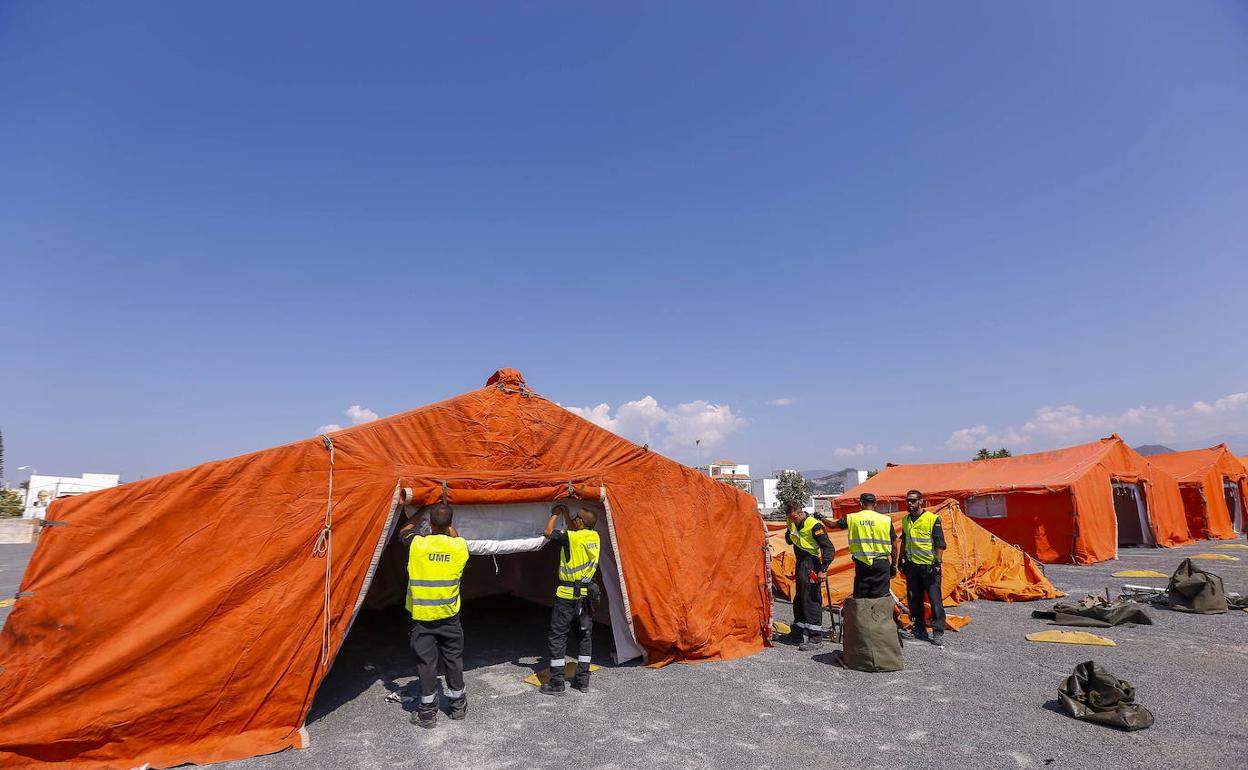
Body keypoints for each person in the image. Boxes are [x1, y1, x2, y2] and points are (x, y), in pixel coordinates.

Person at [399, 502, 469, 728]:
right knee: (453, 661)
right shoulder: (459, 547)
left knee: (426, 664)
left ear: (429, 523)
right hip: (449, 616)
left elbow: (404, 530)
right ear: (451, 524)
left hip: (422, 617)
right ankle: (458, 707)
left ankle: (427, 713)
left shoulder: (417, 545)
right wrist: (444, 523)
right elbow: (454, 536)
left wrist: (421, 512)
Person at [540, 503, 601, 696]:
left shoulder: (571, 538)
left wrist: (555, 514)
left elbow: (547, 532)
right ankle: (582, 681)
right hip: (585, 598)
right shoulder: (594, 537)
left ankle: (557, 683)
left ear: (581, 522)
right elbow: (576, 532)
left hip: (566, 597)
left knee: (558, 638)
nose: (574, 520)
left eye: (576, 517)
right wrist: (568, 514)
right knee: (584, 637)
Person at [783, 501, 836, 650]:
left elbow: (829, 549)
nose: (792, 520)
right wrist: (790, 528)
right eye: (790, 518)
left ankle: (815, 638)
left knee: (811, 599)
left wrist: (823, 569)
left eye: (794, 517)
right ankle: (798, 632)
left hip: (811, 564)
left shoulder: (815, 525)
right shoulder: (793, 523)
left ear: (800, 513)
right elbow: (788, 540)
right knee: (799, 599)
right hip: (800, 563)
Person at [899, 489, 947, 646]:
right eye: (908, 501)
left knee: (934, 600)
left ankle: (938, 631)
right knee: (914, 599)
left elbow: (939, 543)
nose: (910, 503)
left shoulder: (932, 519)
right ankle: (919, 628)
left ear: (921, 501)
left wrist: (937, 563)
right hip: (912, 566)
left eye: (913, 501)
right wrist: (900, 559)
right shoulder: (906, 520)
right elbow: (905, 540)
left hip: (929, 566)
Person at [831, 492, 898, 599]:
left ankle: (863, 615)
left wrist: (821, 518)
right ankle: (880, 615)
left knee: (861, 598)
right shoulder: (885, 520)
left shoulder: (852, 518)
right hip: (881, 564)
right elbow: (894, 545)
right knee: (881, 597)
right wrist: (894, 565)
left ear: (860, 504)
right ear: (875, 504)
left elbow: (832, 525)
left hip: (862, 564)